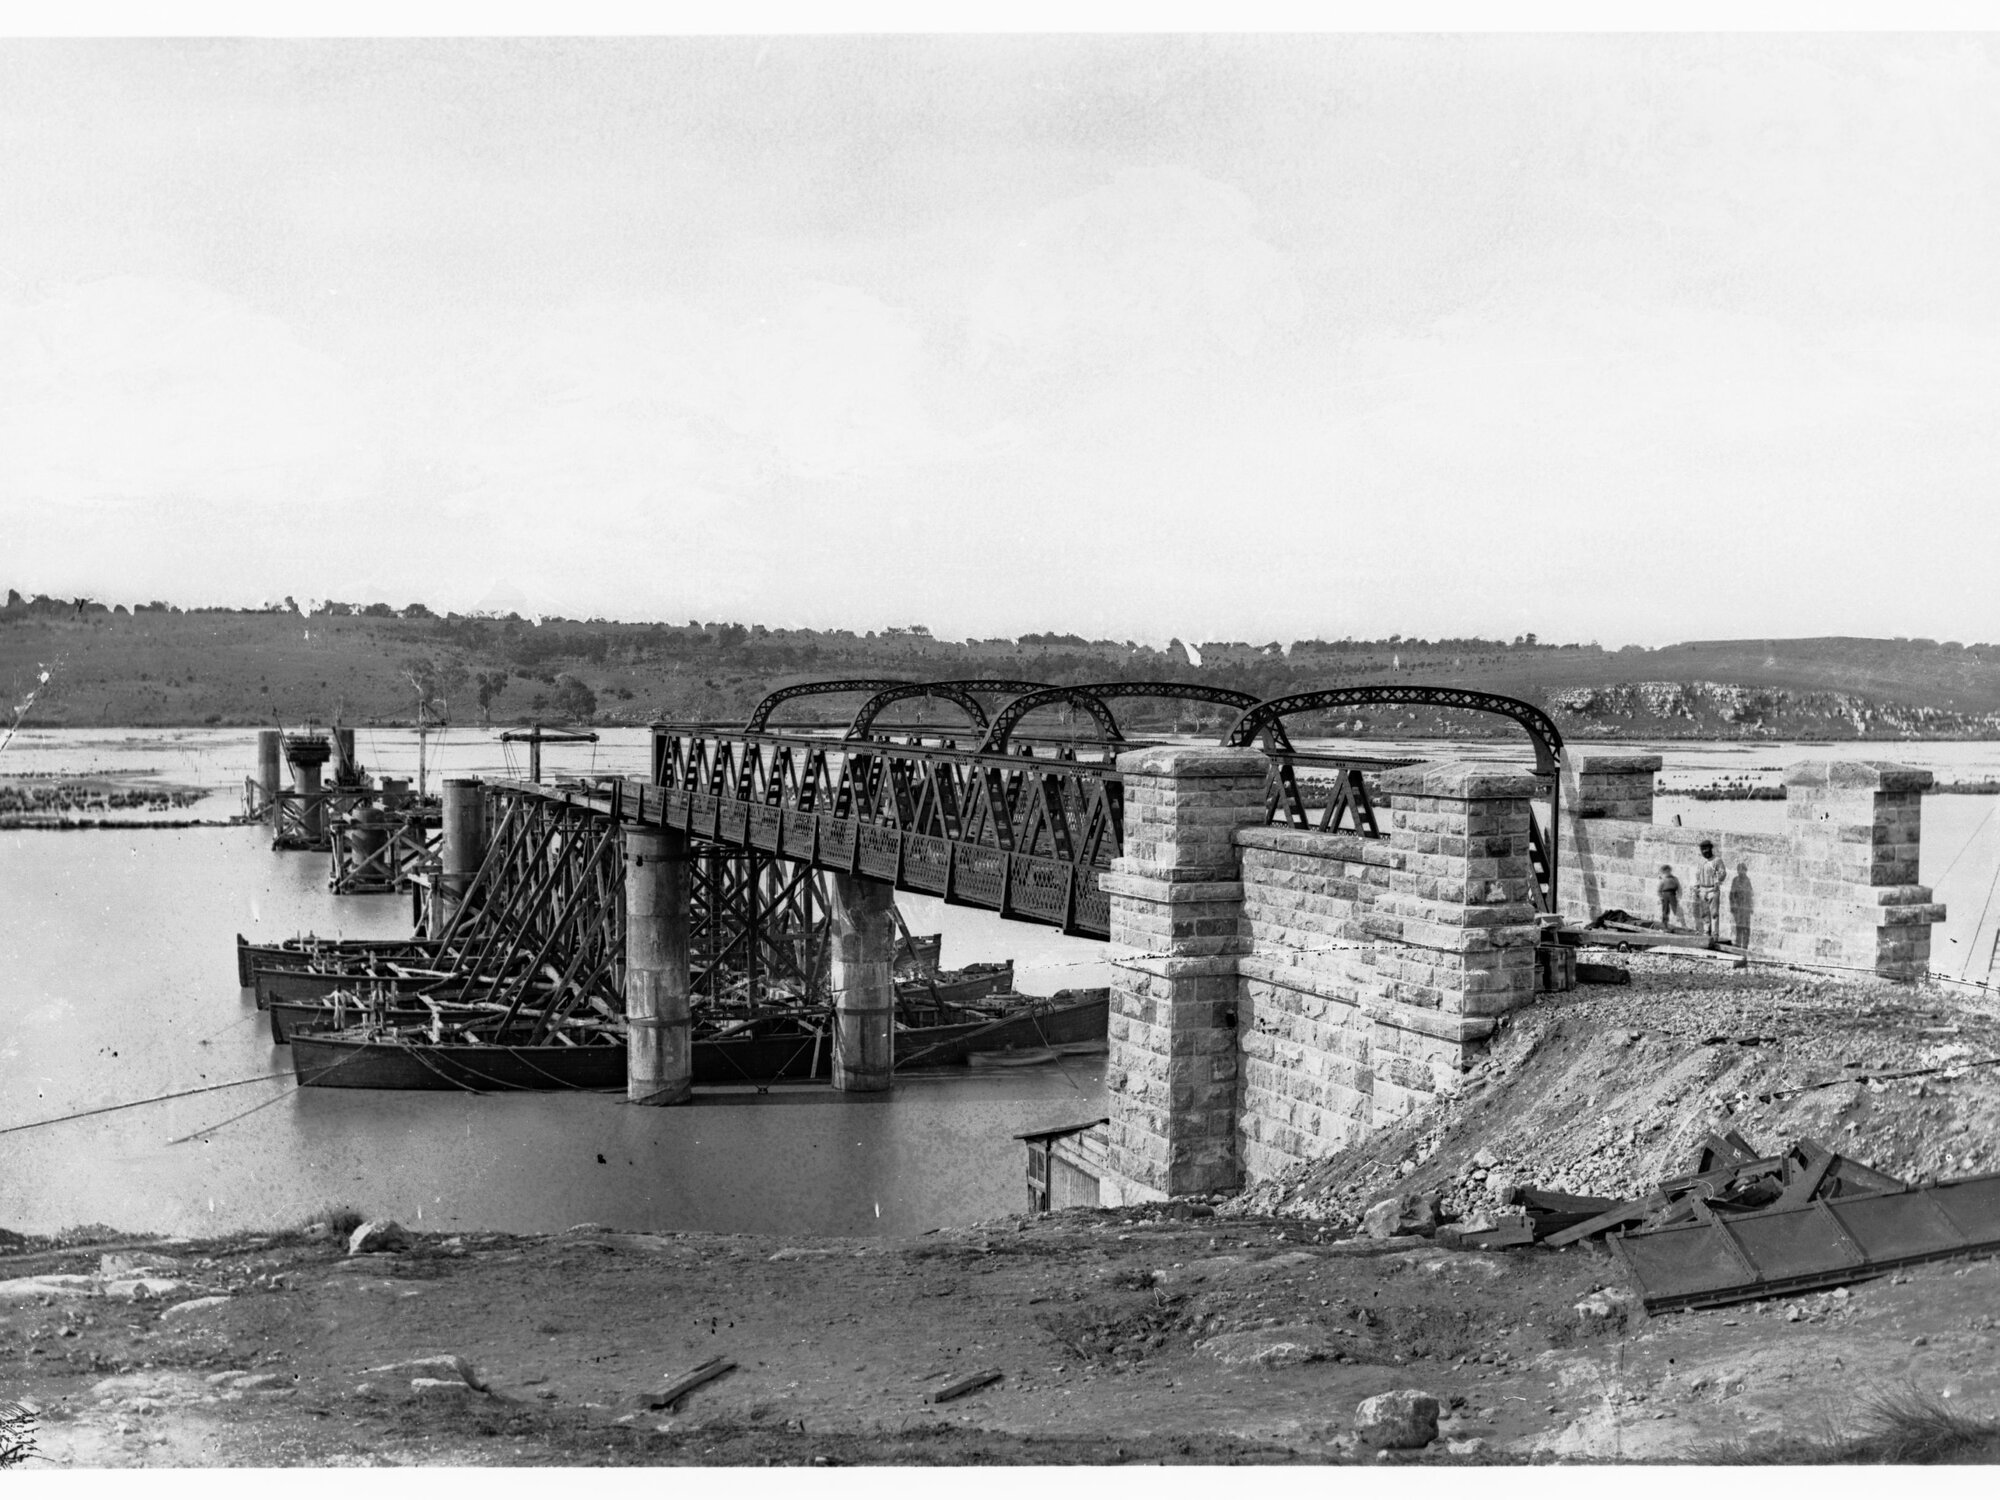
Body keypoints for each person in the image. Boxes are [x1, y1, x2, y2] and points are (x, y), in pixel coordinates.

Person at [1693, 839, 1727, 948]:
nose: (1705, 851)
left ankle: (1715, 935)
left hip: (1713, 890)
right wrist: (1696, 887)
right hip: (1703, 890)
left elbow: (1722, 873)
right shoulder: (1700, 861)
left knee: (1714, 914)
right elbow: (1698, 875)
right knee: (1704, 913)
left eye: (1706, 849)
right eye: (1703, 849)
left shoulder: (1717, 861)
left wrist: (1718, 879)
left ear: (1711, 849)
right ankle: (1706, 933)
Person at [1657, 864, 1682, 930]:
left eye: (1668, 871)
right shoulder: (1663, 880)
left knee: (1675, 909)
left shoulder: (1674, 879)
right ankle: (1665, 925)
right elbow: (1659, 890)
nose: (1667, 872)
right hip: (1665, 895)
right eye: (1665, 871)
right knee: (1665, 910)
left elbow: (1678, 887)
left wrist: (1679, 896)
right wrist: (1661, 897)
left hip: (1672, 895)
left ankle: (1676, 924)